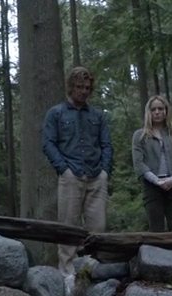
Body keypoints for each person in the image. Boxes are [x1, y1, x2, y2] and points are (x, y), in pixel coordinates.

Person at [42, 66, 113, 276]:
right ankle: (67, 275)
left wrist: (105, 171)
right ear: (71, 87)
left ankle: (93, 271)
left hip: (96, 176)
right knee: (68, 228)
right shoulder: (56, 113)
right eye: (80, 87)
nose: (84, 91)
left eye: (87, 88)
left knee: (98, 229)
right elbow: (48, 143)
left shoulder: (97, 116)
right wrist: (64, 170)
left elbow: (106, 145)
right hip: (71, 175)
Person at [131, 95, 172, 232]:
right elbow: (139, 164)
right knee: (156, 229)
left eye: (160, 109)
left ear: (166, 111)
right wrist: (157, 181)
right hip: (151, 187)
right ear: (148, 112)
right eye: (153, 109)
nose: (157, 112)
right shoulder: (140, 136)